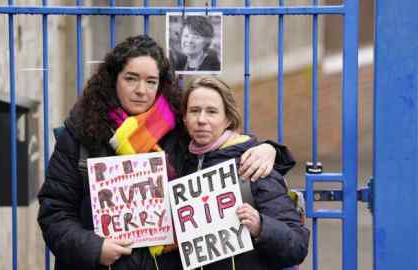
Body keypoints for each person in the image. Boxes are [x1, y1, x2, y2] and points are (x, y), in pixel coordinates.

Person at [37, 35, 295, 270]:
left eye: (151, 81)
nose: (141, 90)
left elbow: (223, 145)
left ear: (161, 85)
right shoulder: (80, 133)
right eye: (131, 78)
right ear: (112, 79)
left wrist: (269, 150)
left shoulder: (180, 129)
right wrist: (94, 248)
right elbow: (54, 212)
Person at [181, 76, 309, 270]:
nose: (201, 120)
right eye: (194, 111)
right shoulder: (181, 165)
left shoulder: (253, 165)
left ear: (228, 119)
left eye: (212, 112)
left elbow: (297, 246)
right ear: (184, 118)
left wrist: (261, 227)